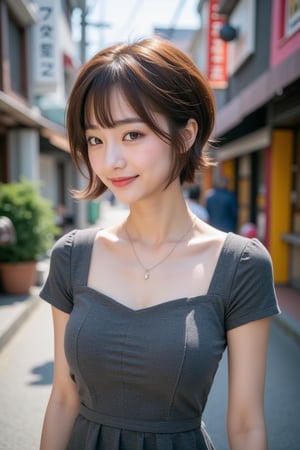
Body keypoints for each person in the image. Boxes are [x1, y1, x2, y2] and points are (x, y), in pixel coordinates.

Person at [39, 36, 280, 450]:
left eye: (132, 135)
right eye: (96, 139)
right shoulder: (73, 256)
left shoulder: (240, 265)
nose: (110, 160)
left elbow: (245, 424)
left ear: (185, 136)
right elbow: (63, 398)